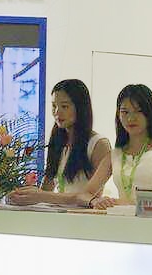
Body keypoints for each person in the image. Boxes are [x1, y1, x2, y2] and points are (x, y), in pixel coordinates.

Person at [7, 78, 111, 207]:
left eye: (64, 106)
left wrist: (40, 195)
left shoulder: (98, 144)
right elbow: (46, 189)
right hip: (57, 215)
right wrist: (24, 195)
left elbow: (90, 196)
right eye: (54, 106)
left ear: (80, 108)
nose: (57, 112)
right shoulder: (58, 142)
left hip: (83, 215)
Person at [91, 83, 152, 209]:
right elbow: (87, 193)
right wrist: (96, 201)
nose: (131, 118)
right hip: (119, 218)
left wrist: (125, 203)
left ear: (150, 113)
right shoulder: (115, 154)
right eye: (125, 112)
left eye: (138, 111)